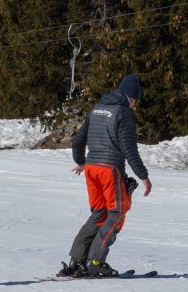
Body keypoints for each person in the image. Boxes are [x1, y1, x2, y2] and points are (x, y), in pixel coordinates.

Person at [61, 73, 151, 279]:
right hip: (109, 169)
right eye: (137, 100)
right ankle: (95, 262)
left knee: (99, 213)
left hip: (92, 168)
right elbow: (129, 148)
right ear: (132, 96)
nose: (136, 104)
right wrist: (143, 175)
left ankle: (77, 259)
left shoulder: (97, 109)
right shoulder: (124, 112)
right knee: (116, 214)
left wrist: (81, 162)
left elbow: (77, 141)